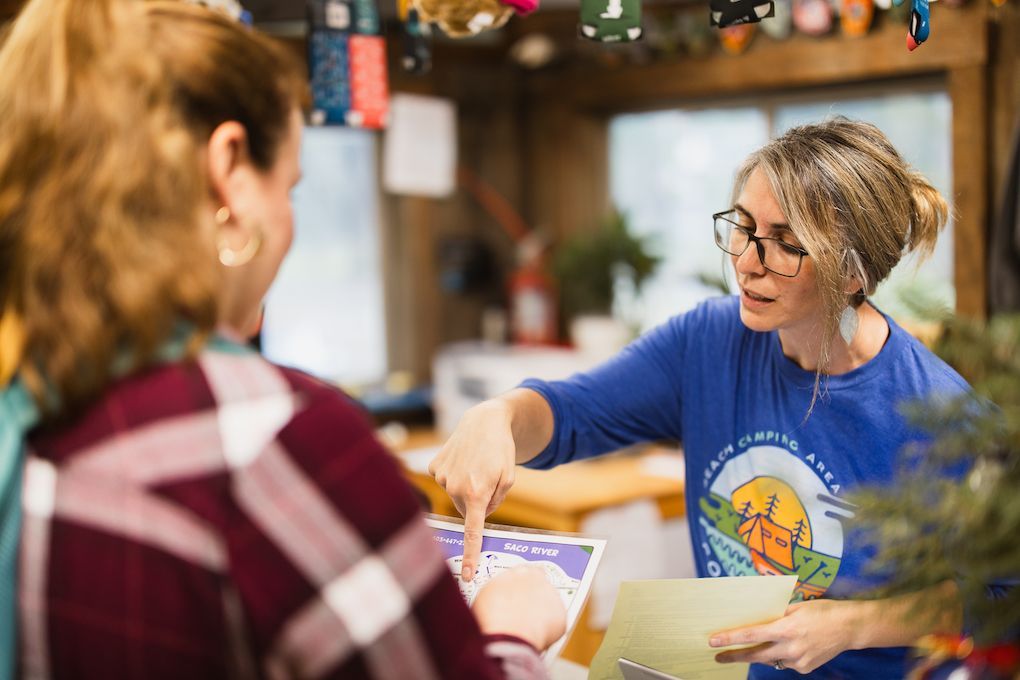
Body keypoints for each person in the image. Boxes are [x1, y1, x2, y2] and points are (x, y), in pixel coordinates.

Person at [0, 1, 566, 678]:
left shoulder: (30, 393)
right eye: (289, 187)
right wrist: (510, 633)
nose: (291, 227)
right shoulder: (269, 439)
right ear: (229, 171)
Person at [430, 118, 969, 678]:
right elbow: (569, 413)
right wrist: (498, 417)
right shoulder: (707, 341)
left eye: (786, 244)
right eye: (742, 227)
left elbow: (1002, 593)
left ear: (853, 273)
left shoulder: (937, 413)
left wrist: (853, 624)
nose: (746, 261)